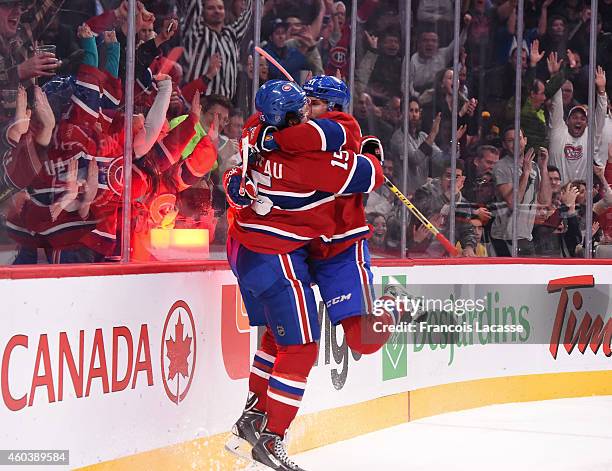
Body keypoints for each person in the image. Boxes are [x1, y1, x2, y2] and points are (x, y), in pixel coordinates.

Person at [224, 80, 386, 471]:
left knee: (278, 341)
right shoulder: (312, 163)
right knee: (301, 349)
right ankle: (271, 438)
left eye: (312, 102)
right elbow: (369, 175)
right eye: (303, 105)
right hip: (277, 255)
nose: (307, 109)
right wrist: (368, 152)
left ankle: (253, 416)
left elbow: (235, 178)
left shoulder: (255, 128)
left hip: (247, 249)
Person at [179, 0, 252, 99]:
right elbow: (193, 7)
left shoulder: (231, 34)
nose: (217, 11)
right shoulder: (197, 32)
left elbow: (248, 14)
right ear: (202, 11)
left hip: (225, 105)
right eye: (211, 8)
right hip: (199, 104)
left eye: (220, 8)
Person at [549, 66, 608, 183]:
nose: (578, 121)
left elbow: (600, 116)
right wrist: (554, 77)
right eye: (574, 117)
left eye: (582, 118)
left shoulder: (590, 137)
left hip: (581, 196)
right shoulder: (558, 132)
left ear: (586, 123)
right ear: (567, 121)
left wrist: (601, 91)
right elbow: (557, 104)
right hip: (557, 193)